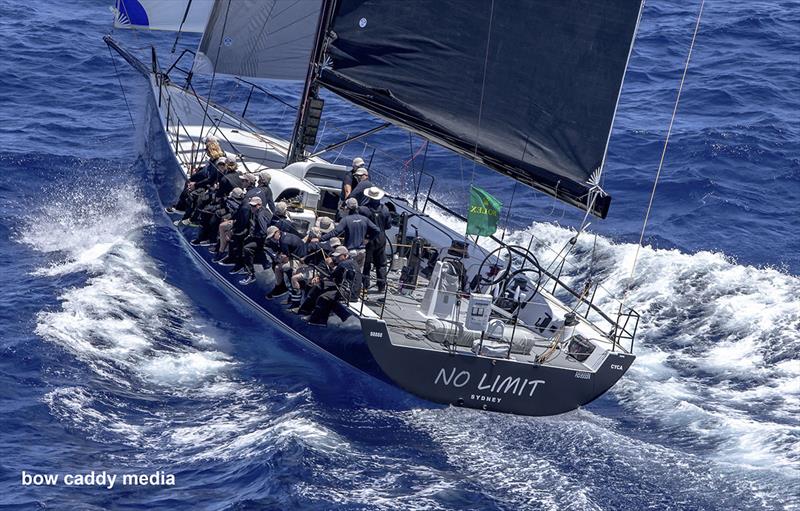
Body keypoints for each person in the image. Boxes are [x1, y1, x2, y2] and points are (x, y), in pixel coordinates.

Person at [302, 246, 361, 326]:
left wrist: (327, 269)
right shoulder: (351, 262)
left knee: (324, 297)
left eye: (338, 256)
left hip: (348, 293)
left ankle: (319, 321)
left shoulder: (343, 264)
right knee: (321, 286)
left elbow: (332, 276)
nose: (336, 258)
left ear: (345, 255)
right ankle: (308, 311)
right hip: (346, 288)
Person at [167, 136, 224, 214]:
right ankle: (181, 205)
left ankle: (181, 208)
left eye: (206, 149)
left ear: (210, 150)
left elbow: (210, 179)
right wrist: (199, 169)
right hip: (204, 178)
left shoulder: (218, 162)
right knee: (189, 181)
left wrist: (196, 185)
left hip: (208, 184)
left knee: (189, 187)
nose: (205, 151)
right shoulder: (213, 158)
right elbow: (207, 168)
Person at [321, 197, 379, 272]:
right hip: (362, 251)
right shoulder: (365, 219)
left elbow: (335, 232)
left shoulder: (345, 220)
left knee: (347, 276)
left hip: (350, 252)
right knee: (358, 275)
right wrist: (368, 239)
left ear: (347, 208)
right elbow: (377, 230)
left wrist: (321, 238)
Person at [361, 186, 391, 292]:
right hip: (381, 238)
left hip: (368, 239)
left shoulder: (363, 209)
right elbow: (388, 226)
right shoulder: (385, 209)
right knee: (381, 263)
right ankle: (382, 286)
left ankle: (365, 286)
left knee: (366, 263)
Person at [264, 226, 306, 299]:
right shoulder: (284, 235)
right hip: (296, 255)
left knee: (277, 267)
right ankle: (281, 285)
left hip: (300, 260)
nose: (272, 238)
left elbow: (285, 259)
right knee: (276, 262)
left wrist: (278, 259)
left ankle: (280, 287)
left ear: (277, 232)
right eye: (271, 237)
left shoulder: (284, 241)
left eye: (273, 236)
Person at [239, 196, 272, 285]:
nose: (252, 208)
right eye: (251, 206)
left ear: (259, 205)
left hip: (263, 239)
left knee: (247, 248)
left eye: (254, 206)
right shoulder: (265, 211)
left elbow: (264, 230)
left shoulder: (260, 215)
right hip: (264, 238)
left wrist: (255, 236)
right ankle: (255, 264)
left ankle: (251, 274)